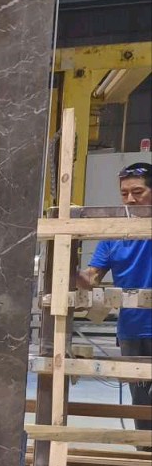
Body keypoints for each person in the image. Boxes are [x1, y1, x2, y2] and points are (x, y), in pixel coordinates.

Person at [77, 160, 152, 435]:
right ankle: (144, 452)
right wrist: (70, 273)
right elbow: (91, 278)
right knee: (142, 405)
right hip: (132, 332)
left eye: (138, 192)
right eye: (124, 194)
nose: (130, 199)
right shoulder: (113, 235)